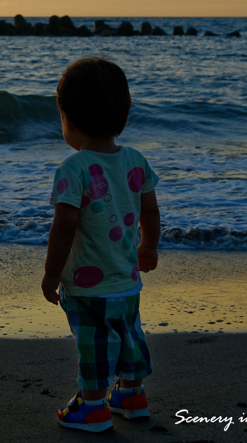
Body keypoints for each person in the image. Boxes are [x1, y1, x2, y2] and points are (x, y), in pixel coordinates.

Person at [42, 57, 161, 432]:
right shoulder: (135, 162)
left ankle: (93, 407)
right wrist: (149, 247)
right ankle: (132, 394)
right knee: (128, 334)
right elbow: (151, 212)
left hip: (86, 285)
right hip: (126, 279)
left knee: (93, 342)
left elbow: (64, 227)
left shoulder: (72, 170)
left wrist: (51, 274)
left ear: (69, 121)